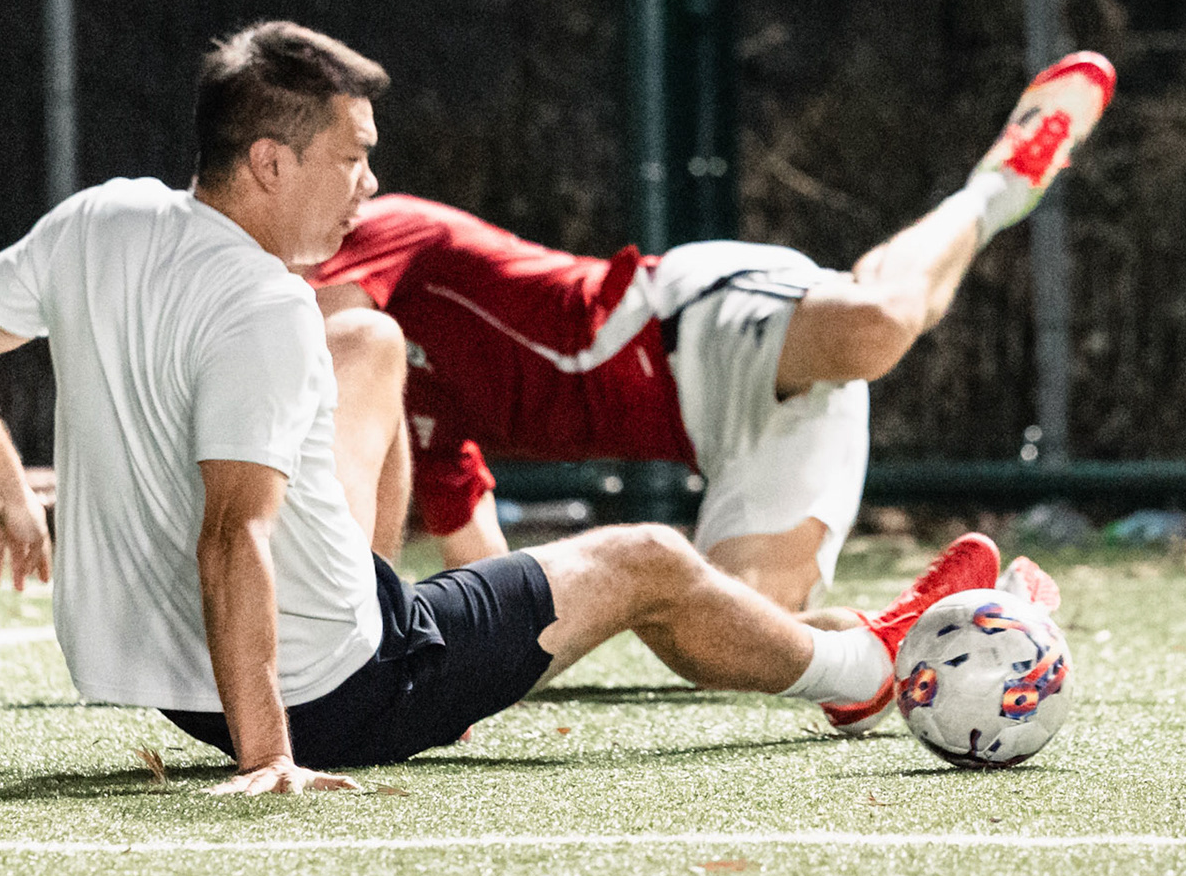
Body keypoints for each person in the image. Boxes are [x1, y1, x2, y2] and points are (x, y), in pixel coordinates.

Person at [0, 20, 1045, 793]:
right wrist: (266, 761)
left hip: (175, 688)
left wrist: (3, 487)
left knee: (370, 340)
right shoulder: (261, 306)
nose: (370, 186)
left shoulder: (97, 219)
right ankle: (872, 673)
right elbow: (230, 536)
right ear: (266, 163)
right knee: (646, 556)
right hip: (335, 693)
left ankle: (364, 592)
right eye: (352, 158)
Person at [305, 52, 1116, 613]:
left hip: (679, 323)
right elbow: (481, 571)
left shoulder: (374, 233)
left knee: (875, 325)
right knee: (742, 629)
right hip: (721, 437)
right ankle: (969, 625)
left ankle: (996, 187)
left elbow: (324, 344)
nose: (364, 181)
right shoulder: (416, 422)